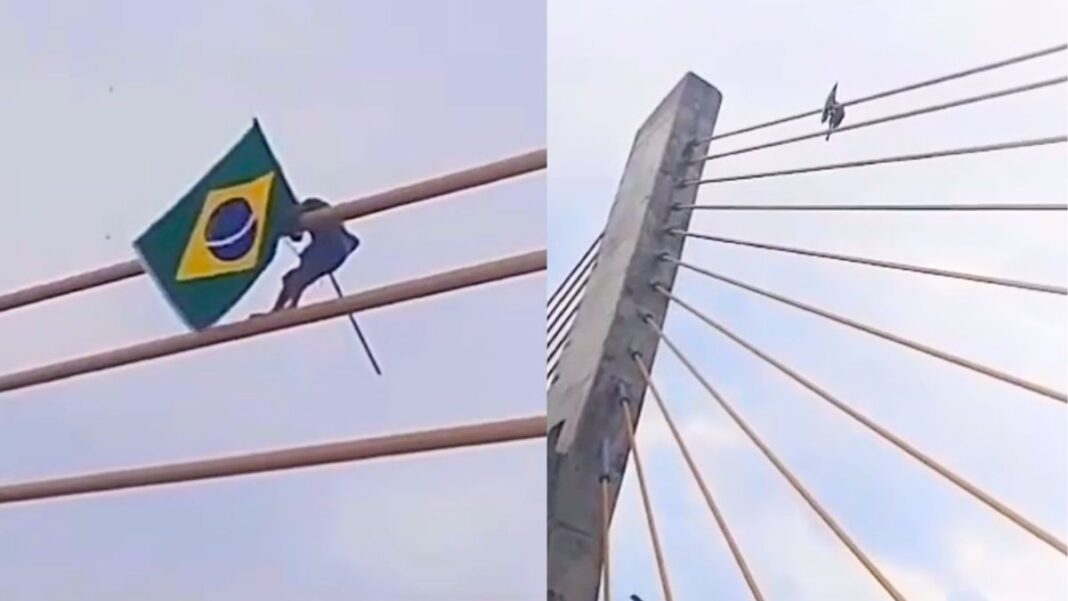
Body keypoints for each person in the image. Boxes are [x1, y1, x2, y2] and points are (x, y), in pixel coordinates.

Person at [256, 197, 359, 315]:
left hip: (328, 248)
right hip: (336, 249)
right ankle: (290, 305)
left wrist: (292, 230)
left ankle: (279, 310)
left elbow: (295, 232)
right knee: (297, 277)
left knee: (294, 279)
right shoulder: (322, 213)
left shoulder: (306, 209)